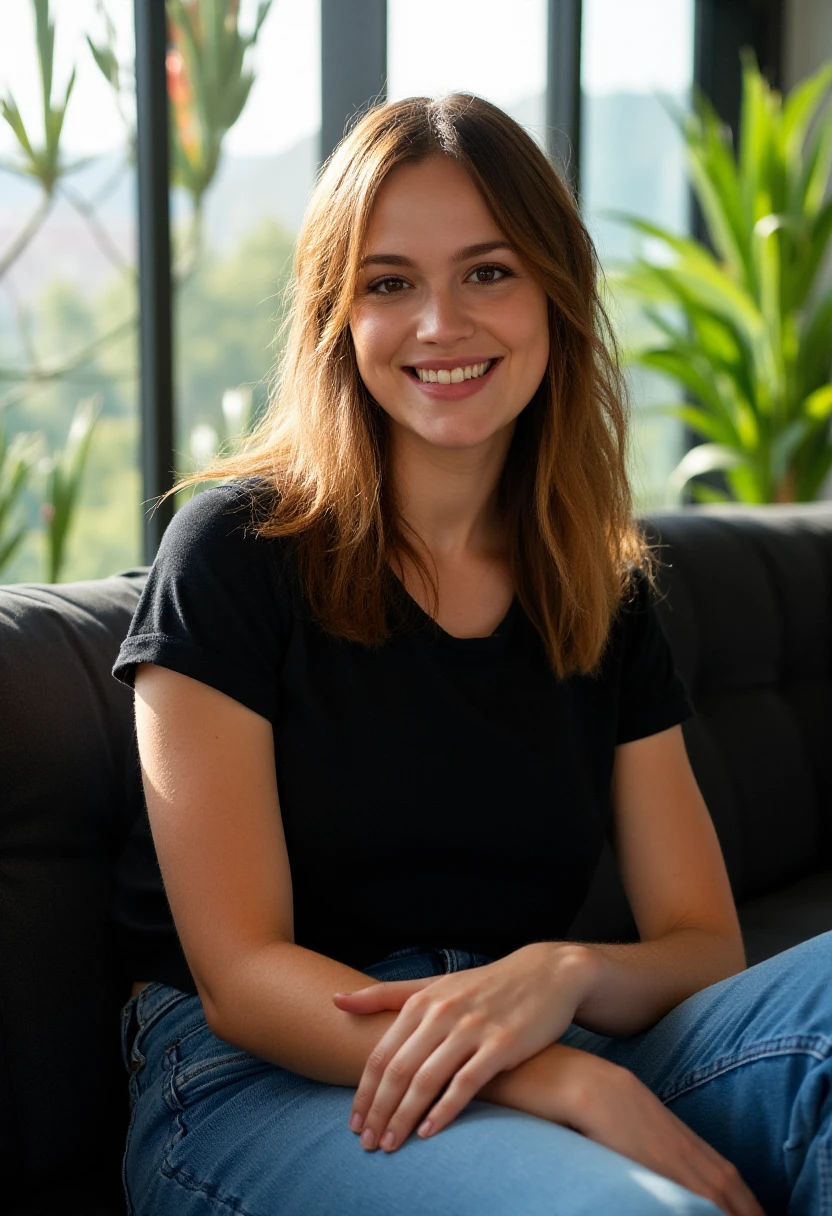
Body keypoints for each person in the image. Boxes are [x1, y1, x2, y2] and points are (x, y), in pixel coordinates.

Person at [111, 93, 831, 1216]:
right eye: (389, 283)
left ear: (553, 291)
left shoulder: (597, 586)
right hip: (271, 1078)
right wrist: (559, 1078)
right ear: (336, 319)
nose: (440, 322)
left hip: (529, 1028)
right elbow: (241, 977)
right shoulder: (235, 552)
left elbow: (701, 943)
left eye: (488, 271)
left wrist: (568, 972)